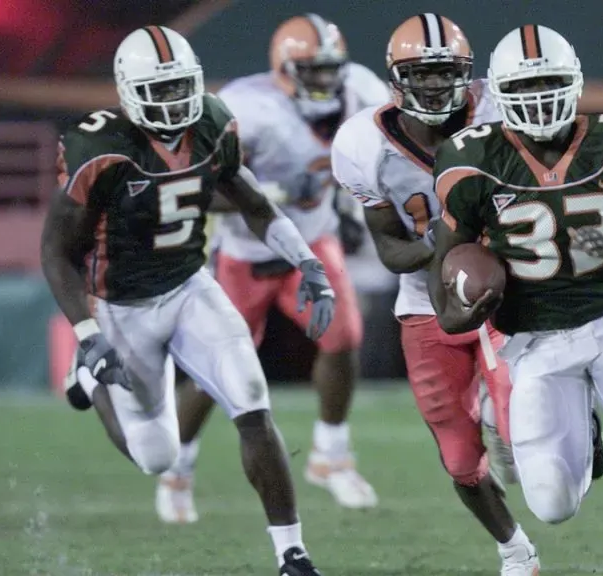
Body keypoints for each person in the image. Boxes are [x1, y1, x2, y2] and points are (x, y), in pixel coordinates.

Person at [428, 24, 603, 576]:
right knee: (552, 505)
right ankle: (587, 422)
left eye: (551, 84)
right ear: (500, 95)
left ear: (577, 81)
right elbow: (445, 267)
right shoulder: (468, 161)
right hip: (533, 338)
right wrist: (458, 313)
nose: (539, 101)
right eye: (525, 89)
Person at [42, 26, 328, 576]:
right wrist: (88, 334)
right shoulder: (97, 146)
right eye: (161, 90)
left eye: (181, 88)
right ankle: (89, 379)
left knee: (251, 400)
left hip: (189, 285)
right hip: (120, 304)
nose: (174, 102)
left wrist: (307, 261)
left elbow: (251, 201)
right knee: (157, 457)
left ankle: (292, 553)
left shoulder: (213, 123)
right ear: (129, 90)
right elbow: (56, 253)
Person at [154, 13, 387, 522]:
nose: (326, 81)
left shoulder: (361, 91)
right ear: (284, 68)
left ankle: (330, 454)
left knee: (344, 336)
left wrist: (350, 208)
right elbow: (199, 191)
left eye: (332, 70)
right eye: (314, 70)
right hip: (247, 251)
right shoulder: (246, 106)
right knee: (216, 369)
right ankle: (179, 466)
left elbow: (371, 161)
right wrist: (273, 195)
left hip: (312, 240)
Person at [331, 14, 540, 575]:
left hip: (507, 290)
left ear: (468, 75)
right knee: (458, 460)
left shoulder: (500, 112)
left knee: (517, 421)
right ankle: (515, 550)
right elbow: (391, 249)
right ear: (396, 78)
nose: (434, 87)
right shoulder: (362, 143)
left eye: (446, 74)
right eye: (421, 75)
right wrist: (452, 252)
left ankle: (555, 425)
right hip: (425, 303)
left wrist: (486, 260)